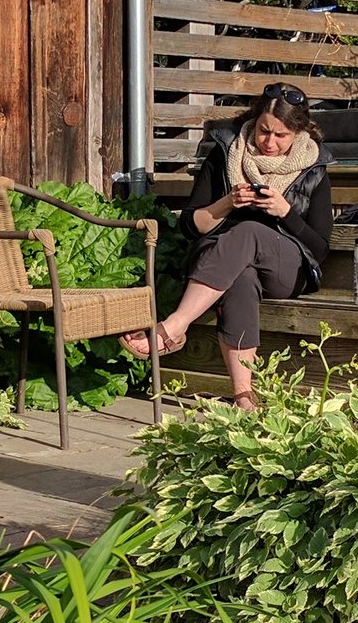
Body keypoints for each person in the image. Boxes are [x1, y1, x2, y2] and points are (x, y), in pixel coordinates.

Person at [122, 82, 331, 409]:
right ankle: (244, 397)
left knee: (248, 232)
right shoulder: (226, 153)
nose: (269, 142)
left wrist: (286, 213)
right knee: (241, 278)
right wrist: (227, 204)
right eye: (264, 131)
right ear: (254, 120)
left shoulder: (313, 167)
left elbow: (319, 249)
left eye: (281, 136)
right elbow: (190, 226)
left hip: (286, 268)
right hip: (222, 264)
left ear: (298, 133)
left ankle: (175, 325)